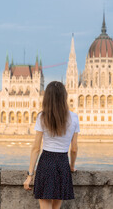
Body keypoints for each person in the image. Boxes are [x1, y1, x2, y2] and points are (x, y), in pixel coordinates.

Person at [23, 81, 79, 209]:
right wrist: (71, 166)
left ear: (47, 97)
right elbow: (74, 149)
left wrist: (30, 175)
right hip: (63, 163)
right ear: (64, 96)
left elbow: (36, 148)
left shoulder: (42, 117)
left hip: (46, 162)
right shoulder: (74, 118)